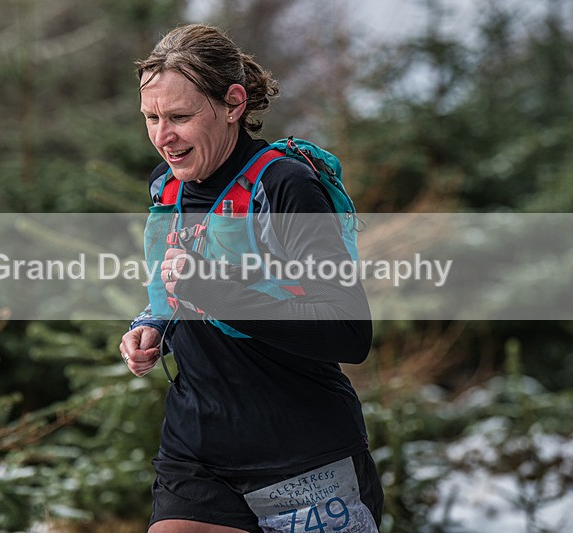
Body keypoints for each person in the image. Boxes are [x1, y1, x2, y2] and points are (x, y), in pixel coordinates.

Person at [119, 24, 383, 533]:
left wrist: (213, 291)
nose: (162, 137)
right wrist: (151, 325)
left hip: (303, 454)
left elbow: (350, 333)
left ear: (234, 103)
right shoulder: (165, 188)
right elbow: (171, 290)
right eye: (151, 118)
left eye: (179, 117)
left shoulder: (286, 187)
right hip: (197, 452)